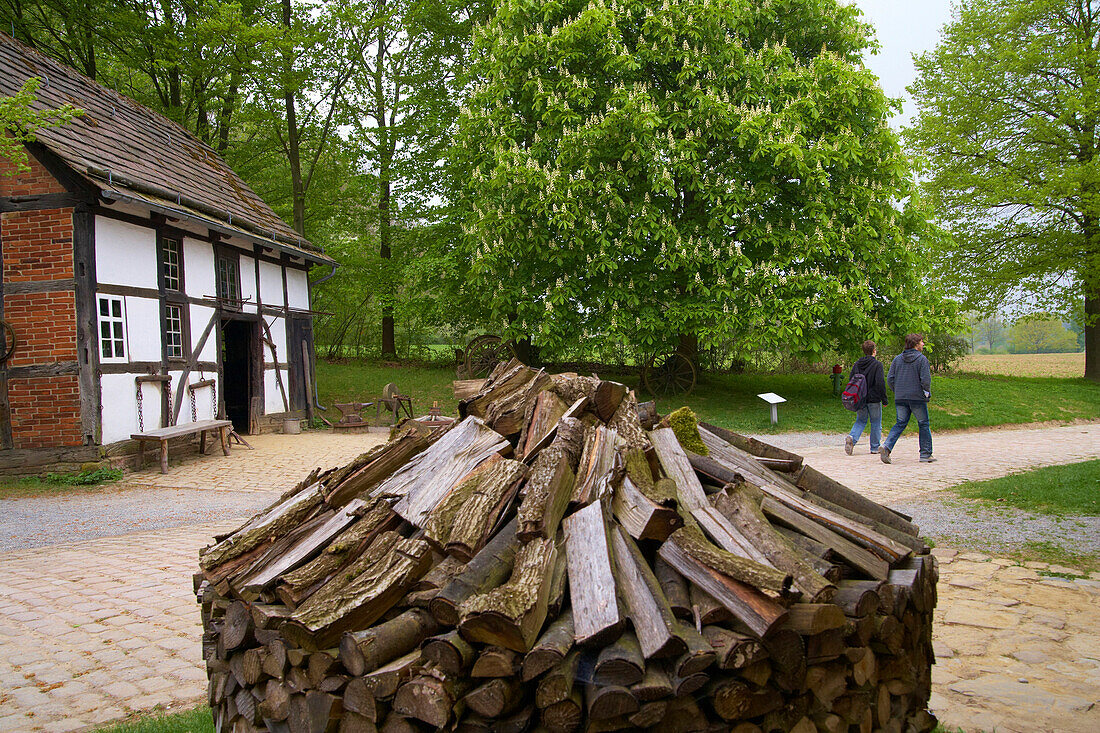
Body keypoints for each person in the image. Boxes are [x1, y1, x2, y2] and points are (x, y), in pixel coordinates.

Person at [881, 333, 934, 464]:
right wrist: (926, 393)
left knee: (900, 423)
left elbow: (890, 379)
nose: (923, 344)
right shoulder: (922, 359)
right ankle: (925, 453)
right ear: (916, 344)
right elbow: (925, 380)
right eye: (921, 342)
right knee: (923, 423)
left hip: (901, 397)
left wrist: (897, 390)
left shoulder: (897, 359)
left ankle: (887, 446)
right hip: (917, 397)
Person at [844, 340, 888, 456]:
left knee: (861, 420)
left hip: (860, 397)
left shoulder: (857, 364)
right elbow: (880, 383)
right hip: (874, 399)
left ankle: (852, 438)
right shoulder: (877, 365)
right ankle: (874, 447)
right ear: (874, 351)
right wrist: (884, 399)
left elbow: (851, 380)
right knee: (876, 422)